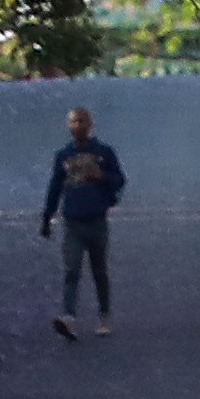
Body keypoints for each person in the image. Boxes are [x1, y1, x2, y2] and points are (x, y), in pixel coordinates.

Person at [40, 105, 128, 335]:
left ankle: (104, 316)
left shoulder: (103, 152)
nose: (77, 126)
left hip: (97, 221)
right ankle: (68, 316)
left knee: (99, 270)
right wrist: (47, 217)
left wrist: (103, 176)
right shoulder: (63, 155)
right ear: (68, 126)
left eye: (81, 121)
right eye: (73, 122)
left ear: (90, 124)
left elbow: (119, 180)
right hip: (73, 222)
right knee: (72, 269)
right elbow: (55, 187)